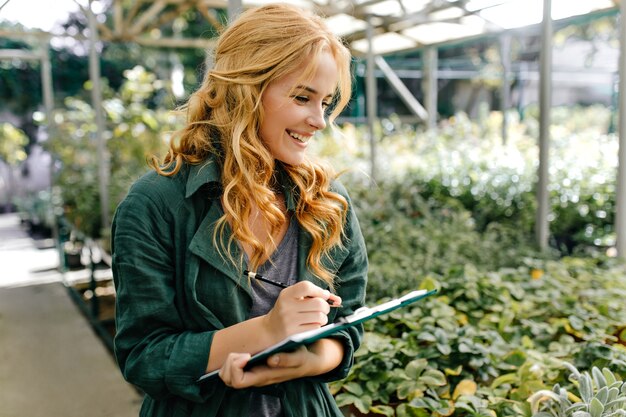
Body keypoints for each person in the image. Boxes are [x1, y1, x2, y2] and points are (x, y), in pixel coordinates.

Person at [111, 3, 368, 417]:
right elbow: (144, 356)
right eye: (303, 97)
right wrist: (265, 330)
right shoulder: (155, 204)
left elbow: (349, 320)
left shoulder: (327, 199)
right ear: (244, 88)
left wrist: (313, 359)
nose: (319, 120)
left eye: (326, 102)